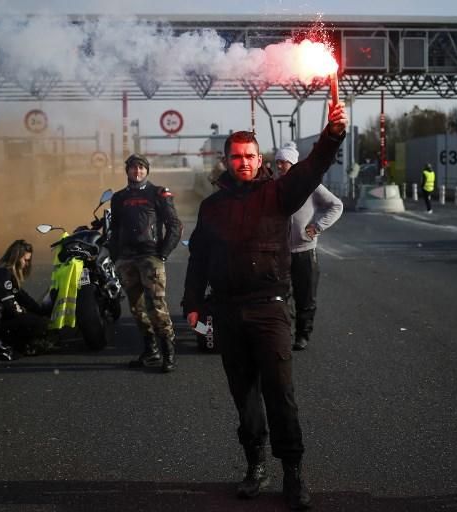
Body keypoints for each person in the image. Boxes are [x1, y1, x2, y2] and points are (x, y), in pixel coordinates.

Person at [182, 102, 348, 510]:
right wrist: (191, 304)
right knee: (245, 396)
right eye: (236, 157)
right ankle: (255, 465)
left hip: (269, 308)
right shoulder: (212, 206)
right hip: (226, 311)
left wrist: (332, 135)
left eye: (250, 156)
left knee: (281, 393)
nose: (243, 163)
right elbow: (199, 257)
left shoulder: (279, 193)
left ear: (260, 160)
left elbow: (312, 169)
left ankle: (293, 472)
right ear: (226, 160)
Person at [109, 154, 183, 373]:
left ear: (147, 171)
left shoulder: (158, 193)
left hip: (151, 257)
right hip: (127, 259)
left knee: (157, 307)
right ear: (127, 171)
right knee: (137, 308)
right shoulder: (119, 197)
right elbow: (114, 228)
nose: (137, 172)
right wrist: (116, 256)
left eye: (141, 168)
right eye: (133, 168)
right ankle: (151, 351)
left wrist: (162, 254)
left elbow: (174, 225)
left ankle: (169, 353)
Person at [274, 141, 343, 351]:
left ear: (293, 163)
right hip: (280, 253)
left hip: (305, 252)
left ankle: (303, 335)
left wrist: (317, 226)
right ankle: (285, 333)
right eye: (277, 162)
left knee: (306, 297)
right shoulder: (274, 186)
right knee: (281, 297)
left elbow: (336, 205)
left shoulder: (310, 185)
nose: (278, 166)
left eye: (282, 162)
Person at [0, 239, 52, 361]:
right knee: (38, 325)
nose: (27, 264)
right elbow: (10, 304)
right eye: (25, 260)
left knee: (37, 319)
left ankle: (0, 340)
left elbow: (22, 296)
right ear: (16, 257)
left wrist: (41, 311)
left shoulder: (4, 270)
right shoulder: (2, 273)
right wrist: (34, 318)